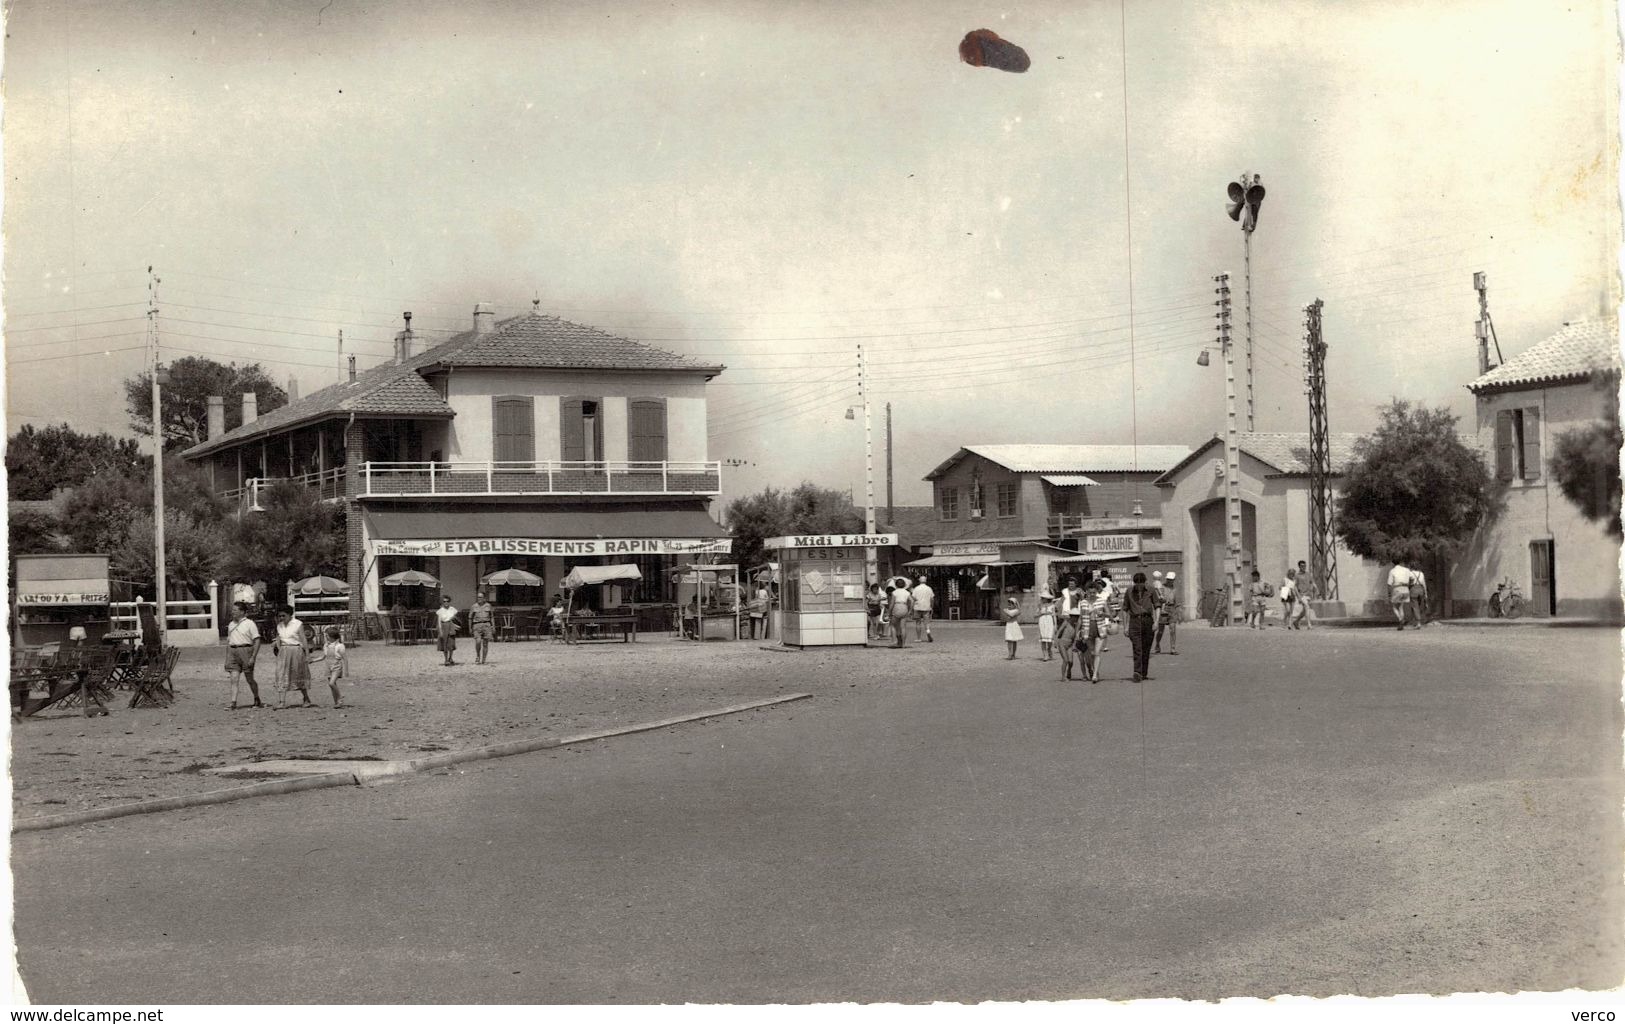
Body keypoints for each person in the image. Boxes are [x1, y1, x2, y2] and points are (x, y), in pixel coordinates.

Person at [224, 601, 265, 710]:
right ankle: (233, 702)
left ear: (242, 612)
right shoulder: (231, 624)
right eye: (232, 610)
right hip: (233, 651)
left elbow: (257, 640)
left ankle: (256, 698)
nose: (233, 612)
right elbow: (229, 640)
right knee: (234, 678)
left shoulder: (250, 624)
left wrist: (253, 657)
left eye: (235, 610)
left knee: (249, 678)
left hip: (246, 650)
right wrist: (228, 655)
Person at [272, 605, 314, 708]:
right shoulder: (279, 625)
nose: (281, 618)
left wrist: (307, 655)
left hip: (296, 650)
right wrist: (277, 648)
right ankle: (282, 702)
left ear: (290, 614)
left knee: (298, 673)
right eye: (279, 616)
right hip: (283, 651)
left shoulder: (298, 624)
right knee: (281, 674)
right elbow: (278, 638)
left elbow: (304, 639)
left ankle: (306, 698)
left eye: (283, 615)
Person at [1074, 579, 1111, 683]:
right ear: (1086, 592)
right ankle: (1095, 671)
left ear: (1097, 591)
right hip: (1087, 629)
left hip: (1099, 628)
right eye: (1090, 592)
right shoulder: (1083, 603)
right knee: (1091, 652)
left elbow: (1109, 615)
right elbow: (1081, 618)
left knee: (1097, 652)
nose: (1092, 594)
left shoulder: (1102, 601)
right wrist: (1077, 632)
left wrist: (1102, 614)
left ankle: (1094, 675)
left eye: (1094, 592)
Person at [1124, 572, 1157, 682]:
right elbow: (1125, 609)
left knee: (1146, 649)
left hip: (1148, 621)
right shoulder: (1129, 592)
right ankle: (1137, 672)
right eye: (1136, 584)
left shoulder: (1151, 590)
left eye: (1141, 584)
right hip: (1134, 621)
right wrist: (1125, 626)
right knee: (1137, 647)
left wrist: (1156, 622)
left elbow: (1157, 606)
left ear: (1145, 583)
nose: (1139, 587)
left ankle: (1143, 673)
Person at [307, 625, 349, 708]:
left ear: (331, 636)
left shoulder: (340, 646)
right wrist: (313, 660)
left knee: (331, 683)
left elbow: (345, 659)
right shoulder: (326, 645)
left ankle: (340, 697)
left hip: (336, 666)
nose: (325, 637)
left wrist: (346, 671)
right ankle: (337, 702)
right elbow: (323, 657)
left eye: (326, 635)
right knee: (333, 685)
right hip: (328, 667)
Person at [1154, 571, 1180, 655]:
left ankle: (1173, 648)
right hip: (1164, 609)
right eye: (1168, 579)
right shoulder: (1161, 587)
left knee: (1172, 630)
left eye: (1171, 579)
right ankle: (1157, 644)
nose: (1170, 581)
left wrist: (1178, 612)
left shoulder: (1175, 589)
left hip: (1172, 609)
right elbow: (1158, 597)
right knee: (1161, 630)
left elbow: (1176, 601)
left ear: (1174, 580)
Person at [1387, 561, 1414, 631]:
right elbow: (1412, 578)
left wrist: (1389, 594)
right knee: (1401, 606)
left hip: (1397, 589)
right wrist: (1409, 585)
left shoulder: (1392, 571)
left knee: (1394, 606)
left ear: (1393, 563)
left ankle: (1400, 619)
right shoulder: (1406, 570)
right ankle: (1401, 622)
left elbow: (1389, 584)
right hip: (1405, 589)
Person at [469, 591, 495, 664]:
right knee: (478, 641)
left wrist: (493, 626)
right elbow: (470, 618)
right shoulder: (474, 606)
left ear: (484, 598)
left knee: (485, 643)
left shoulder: (488, 606)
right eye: (478, 597)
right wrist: (470, 628)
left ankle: (484, 660)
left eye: (480, 597)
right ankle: (478, 656)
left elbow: (492, 616)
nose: (479, 598)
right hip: (477, 625)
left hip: (486, 625)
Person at [889, 580, 915, 649]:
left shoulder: (894, 592)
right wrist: (910, 610)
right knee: (903, 627)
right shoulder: (907, 592)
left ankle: (895, 641)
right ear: (904, 585)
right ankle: (903, 644)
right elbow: (912, 601)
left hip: (897, 606)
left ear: (896, 585)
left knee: (894, 626)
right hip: (904, 607)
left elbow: (892, 604)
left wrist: (889, 612)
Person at [436, 594, 461, 665]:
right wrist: (440, 630)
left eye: (447, 601)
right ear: (442, 602)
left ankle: (451, 658)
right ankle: (446, 659)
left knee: (451, 643)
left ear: (449, 602)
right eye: (444, 601)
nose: (446, 603)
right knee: (444, 643)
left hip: (450, 626)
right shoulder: (440, 611)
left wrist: (455, 625)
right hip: (444, 626)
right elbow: (439, 621)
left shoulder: (452, 609)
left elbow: (456, 619)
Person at [911, 575, 936, 643]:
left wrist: (911, 608)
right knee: (926, 622)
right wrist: (931, 606)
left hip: (917, 606)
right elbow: (932, 599)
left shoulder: (916, 588)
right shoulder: (929, 588)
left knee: (918, 623)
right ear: (926, 581)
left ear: (919, 580)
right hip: (926, 606)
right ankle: (928, 631)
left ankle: (919, 638)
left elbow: (913, 598)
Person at [1294, 560, 1316, 628]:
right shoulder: (1297, 575)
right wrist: (1298, 597)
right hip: (1301, 595)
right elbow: (1294, 587)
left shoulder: (1308, 574)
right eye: (1302, 566)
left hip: (1308, 594)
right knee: (1306, 606)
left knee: (1304, 610)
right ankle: (1309, 624)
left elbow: (1312, 582)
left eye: (1305, 566)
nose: (1304, 567)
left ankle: (1296, 621)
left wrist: (1315, 588)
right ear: (1299, 566)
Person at [1036, 589, 1057, 662]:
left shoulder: (1052, 605)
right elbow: (1035, 615)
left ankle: (1049, 649)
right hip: (1042, 621)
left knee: (1049, 639)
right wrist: (1041, 613)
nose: (1042, 599)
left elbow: (1054, 615)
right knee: (1043, 639)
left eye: (1043, 598)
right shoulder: (1040, 605)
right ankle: (1045, 655)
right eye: (1041, 598)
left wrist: (1055, 625)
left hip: (1049, 621)